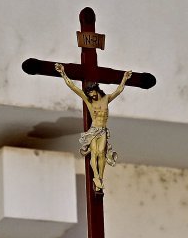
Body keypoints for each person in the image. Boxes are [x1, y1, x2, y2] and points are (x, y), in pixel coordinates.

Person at [55, 63, 132, 191]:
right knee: (94, 153)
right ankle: (96, 177)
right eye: (90, 95)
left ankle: (100, 178)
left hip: (102, 131)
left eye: (93, 93)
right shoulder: (89, 101)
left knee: (101, 153)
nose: (92, 96)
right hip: (93, 130)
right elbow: (73, 87)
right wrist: (63, 73)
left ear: (97, 90)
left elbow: (118, 91)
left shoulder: (106, 99)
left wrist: (124, 78)